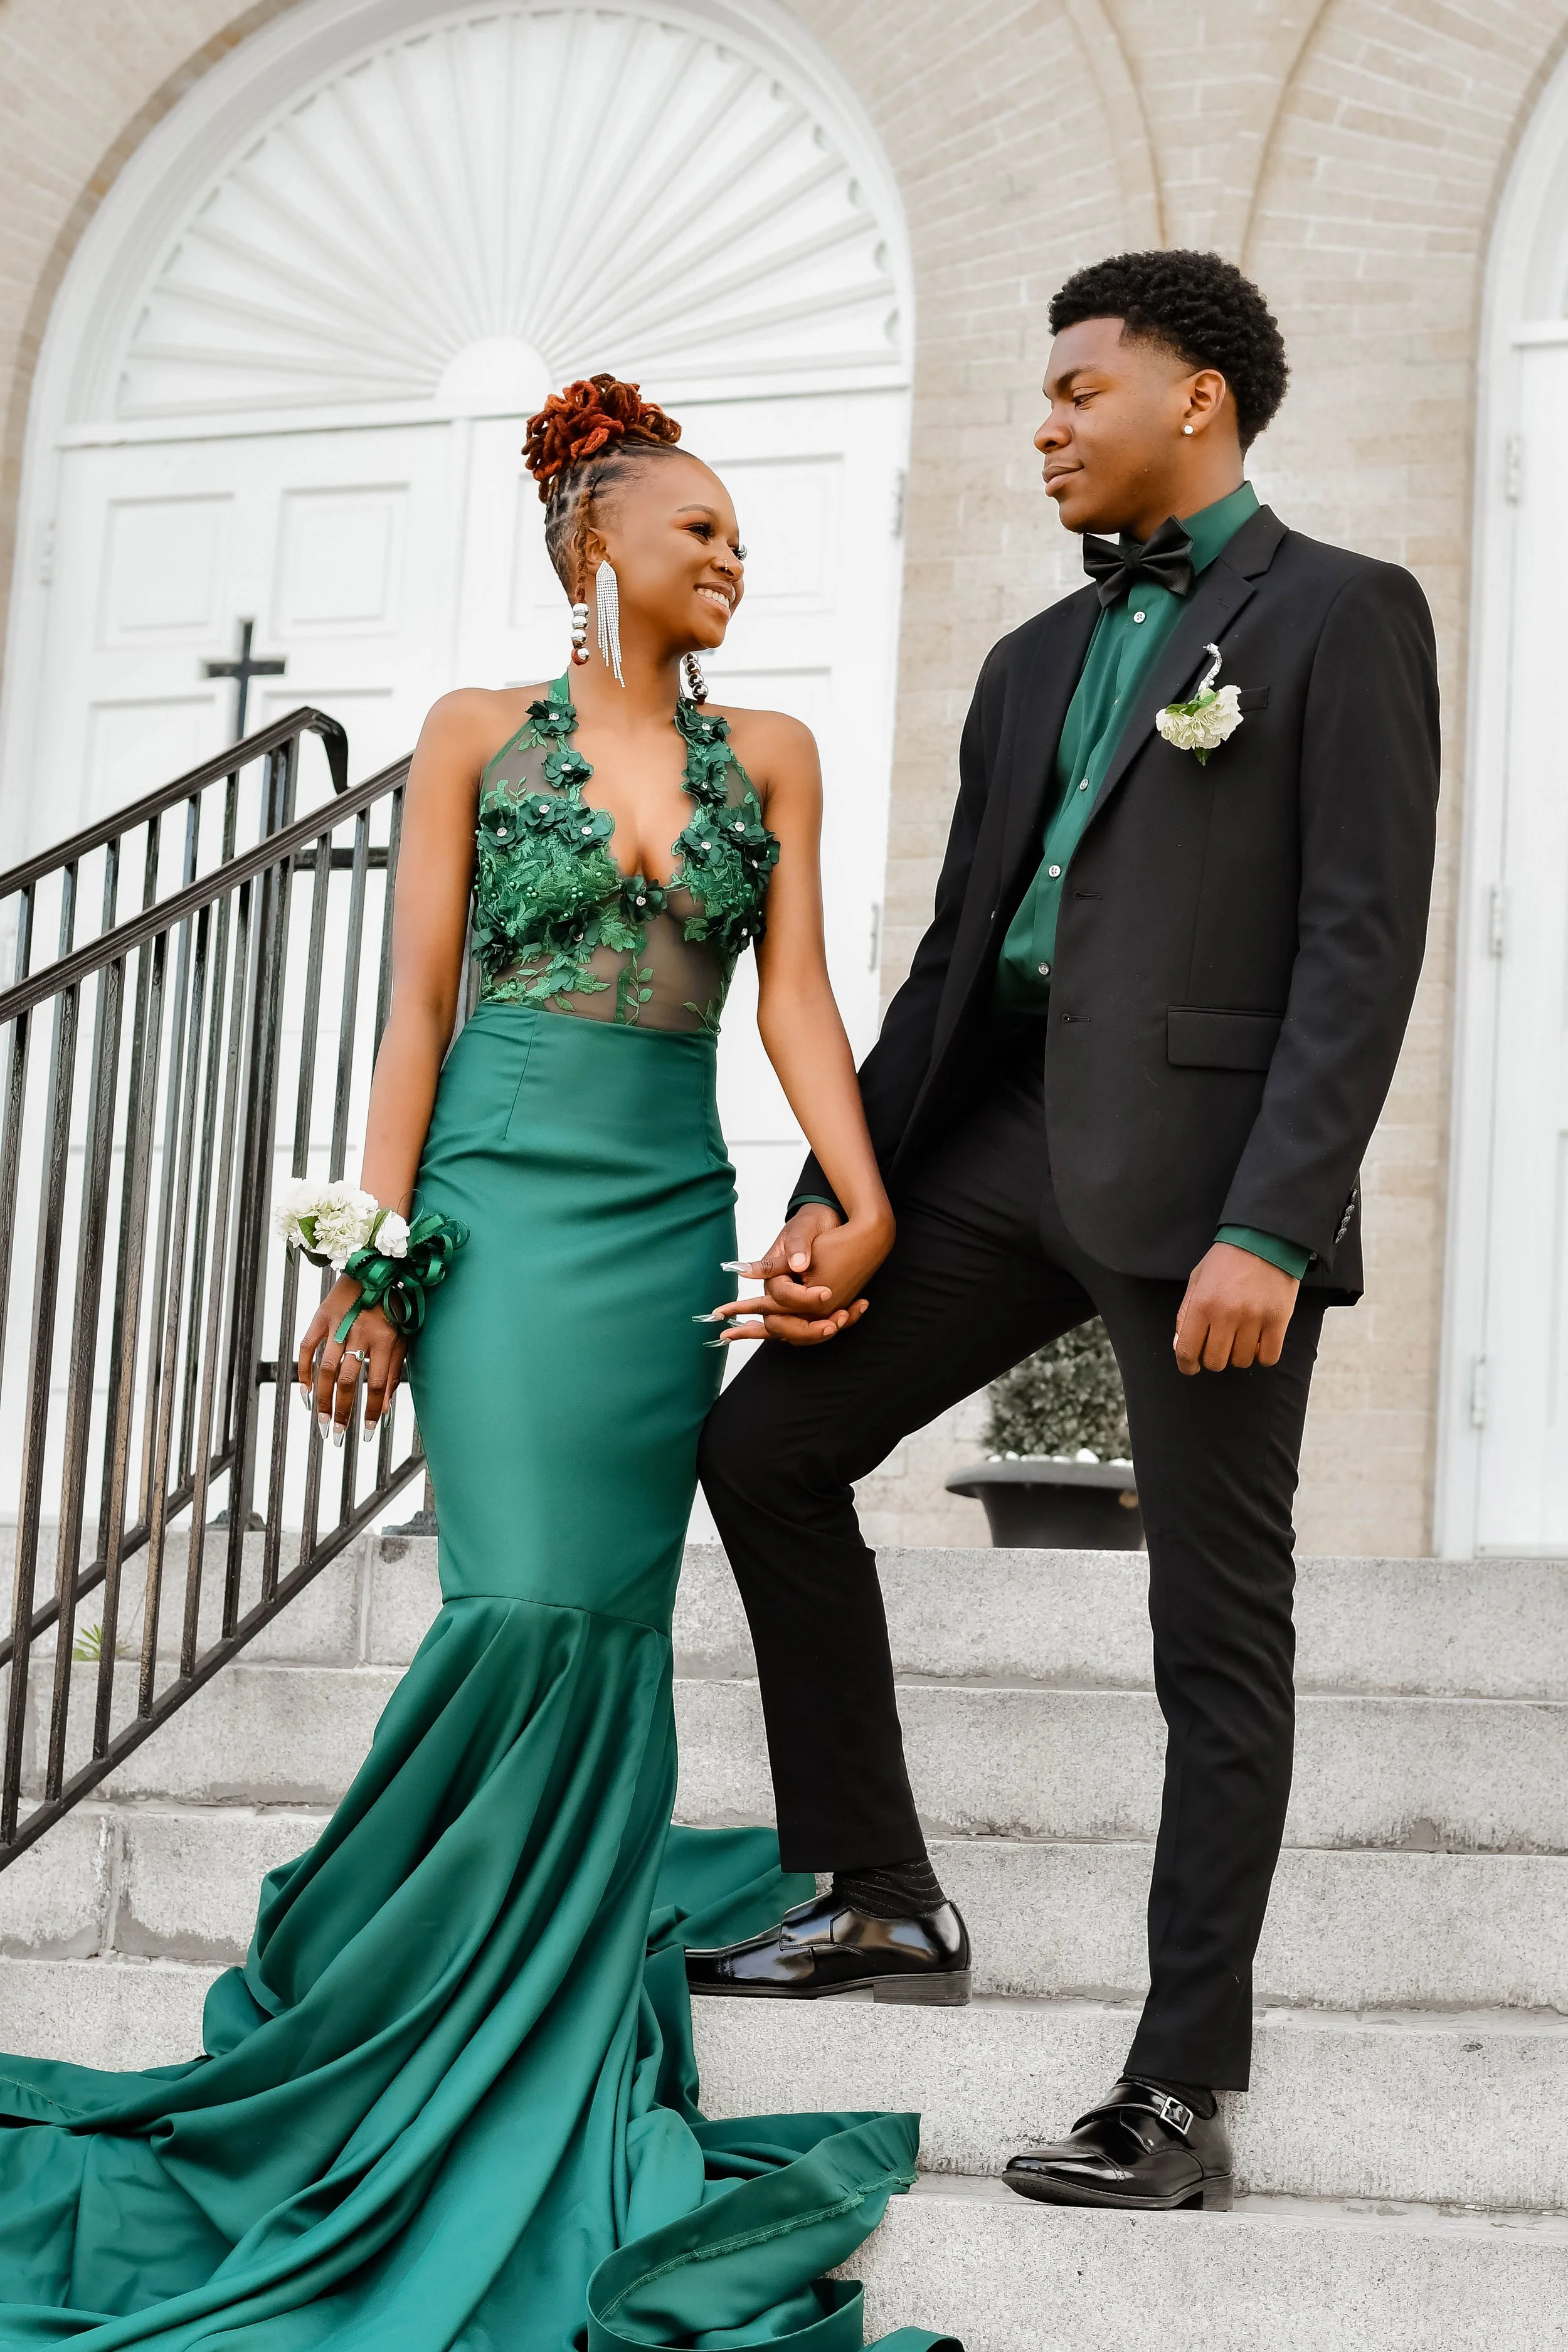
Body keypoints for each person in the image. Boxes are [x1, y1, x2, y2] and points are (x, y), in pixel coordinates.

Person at [0, 376, 958, 2352]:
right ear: (599, 546)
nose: (730, 555)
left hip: (659, 1212)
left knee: (603, 1610)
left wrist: (853, 1206)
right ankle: (398, 1974)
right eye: (698, 529)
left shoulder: (766, 752)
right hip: (501, 1212)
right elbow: (415, 1000)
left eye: (737, 535)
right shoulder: (468, 739)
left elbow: (791, 994)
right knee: (516, 1601)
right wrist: (373, 1255)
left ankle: (539, 1966)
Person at [692, 250, 1441, 2216]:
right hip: (996, 1142)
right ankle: (879, 1898)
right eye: (1038, 398)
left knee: (1213, 1634)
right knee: (764, 1445)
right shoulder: (1032, 655)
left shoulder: (1344, 614)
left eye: (1074, 393)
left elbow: (1358, 943)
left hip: (1205, 1192)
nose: (1042, 427)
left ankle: (1180, 2084)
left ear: (1193, 397)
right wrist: (836, 1200)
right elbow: (952, 957)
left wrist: (1273, 1224)